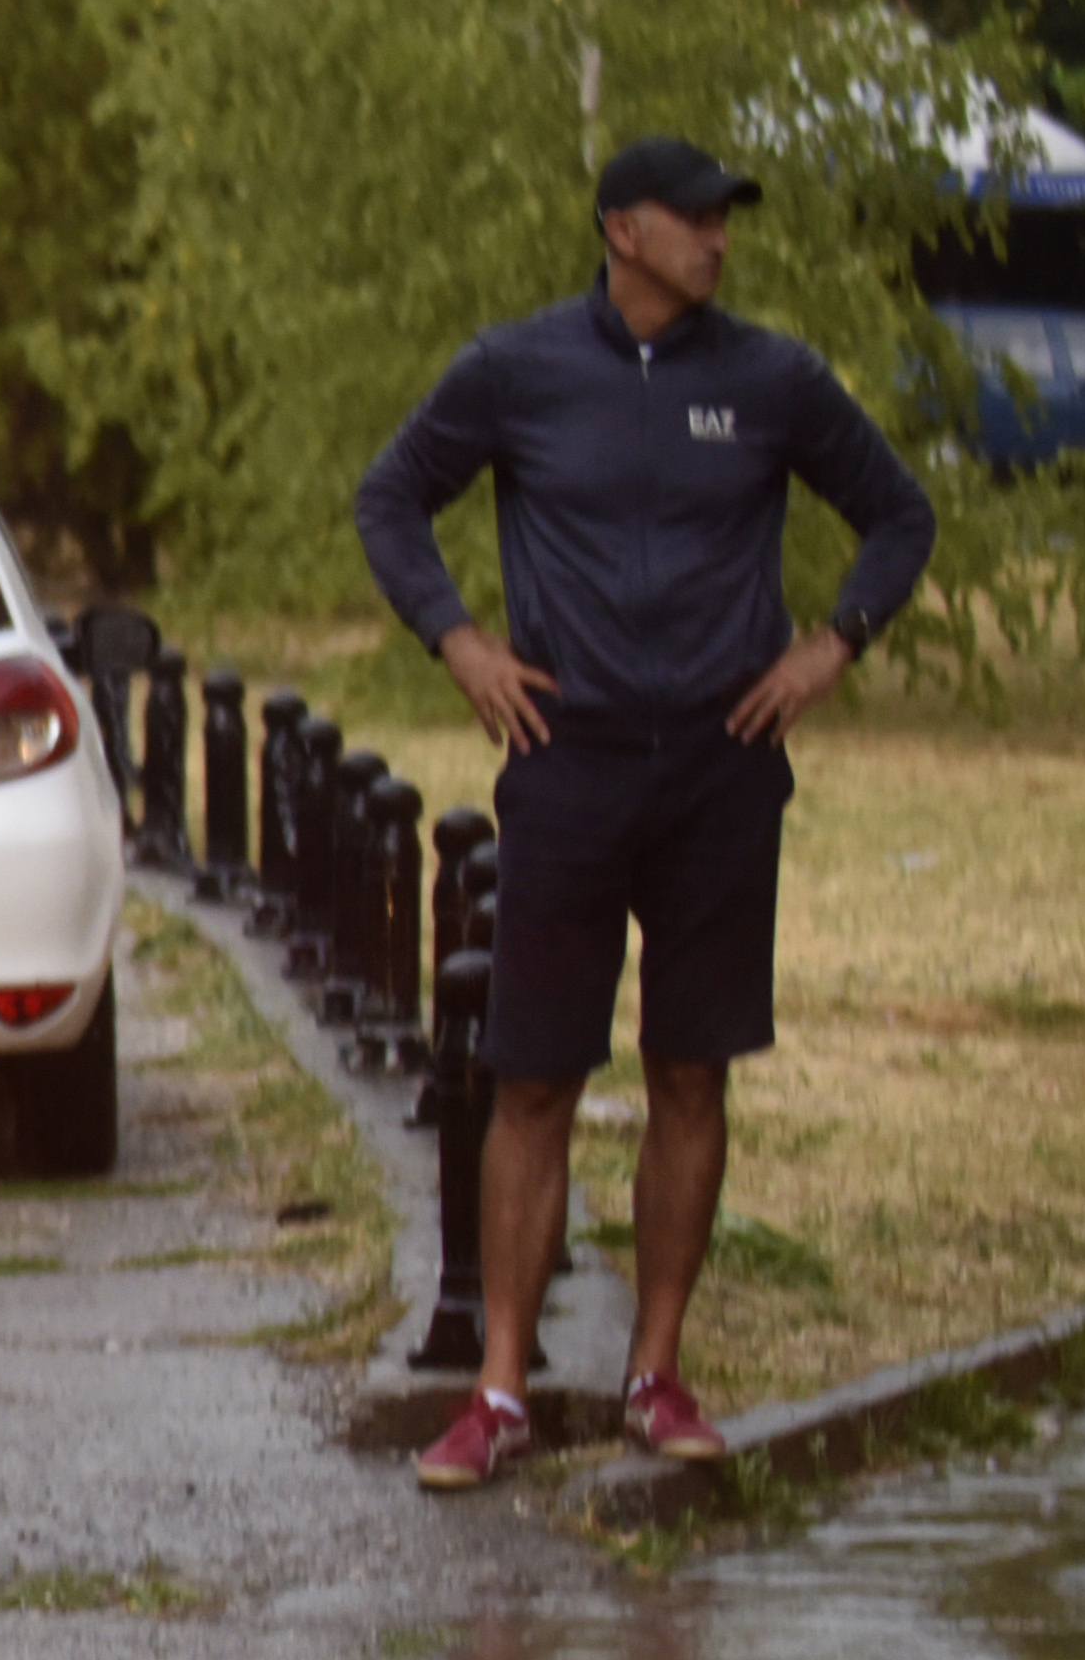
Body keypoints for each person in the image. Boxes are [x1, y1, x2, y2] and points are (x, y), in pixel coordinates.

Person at [355, 133, 934, 1489]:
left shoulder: (772, 379)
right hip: (568, 763)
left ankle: (654, 1371)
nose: (717, 239)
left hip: (722, 773)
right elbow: (389, 500)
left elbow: (897, 517)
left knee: (690, 1070)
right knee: (535, 1074)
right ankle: (498, 1389)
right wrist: (456, 643)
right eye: (693, 217)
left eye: (723, 219)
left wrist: (828, 645)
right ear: (621, 228)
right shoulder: (515, 371)